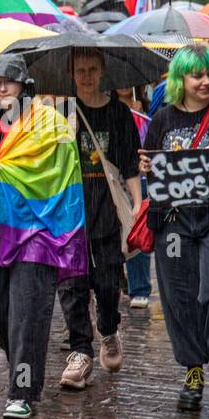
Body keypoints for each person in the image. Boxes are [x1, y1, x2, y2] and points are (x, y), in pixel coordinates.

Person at [0, 53, 86, 419]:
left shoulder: (51, 126)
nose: (2, 86)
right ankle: (27, 362)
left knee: (27, 314)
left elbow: (66, 180)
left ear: (26, 85)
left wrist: (67, 236)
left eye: (10, 80)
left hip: (38, 235)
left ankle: (21, 390)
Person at [138, 43, 209, 410]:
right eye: (197, 75)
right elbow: (150, 161)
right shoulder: (164, 119)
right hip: (173, 222)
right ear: (180, 80)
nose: (205, 81)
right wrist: (145, 167)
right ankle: (193, 369)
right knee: (179, 299)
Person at [57, 49, 141, 390]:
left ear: (103, 70)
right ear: (71, 73)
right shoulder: (61, 114)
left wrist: (136, 203)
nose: (87, 76)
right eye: (80, 70)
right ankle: (80, 351)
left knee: (107, 282)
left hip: (105, 205)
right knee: (72, 285)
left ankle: (107, 328)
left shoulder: (118, 113)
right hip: (69, 208)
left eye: (92, 69)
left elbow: (130, 164)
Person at [116, 86, 153, 309]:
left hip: (140, 177)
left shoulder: (144, 108)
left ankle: (139, 287)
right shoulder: (111, 110)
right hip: (116, 176)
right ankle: (119, 281)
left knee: (138, 230)